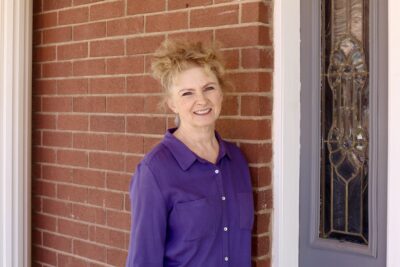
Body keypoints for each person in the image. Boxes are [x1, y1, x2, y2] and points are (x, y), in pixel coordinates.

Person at [126, 39, 254, 267]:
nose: (202, 100)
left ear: (221, 94)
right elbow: (143, 259)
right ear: (171, 104)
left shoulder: (237, 162)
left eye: (209, 88)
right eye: (187, 93)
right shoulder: (155, 171)